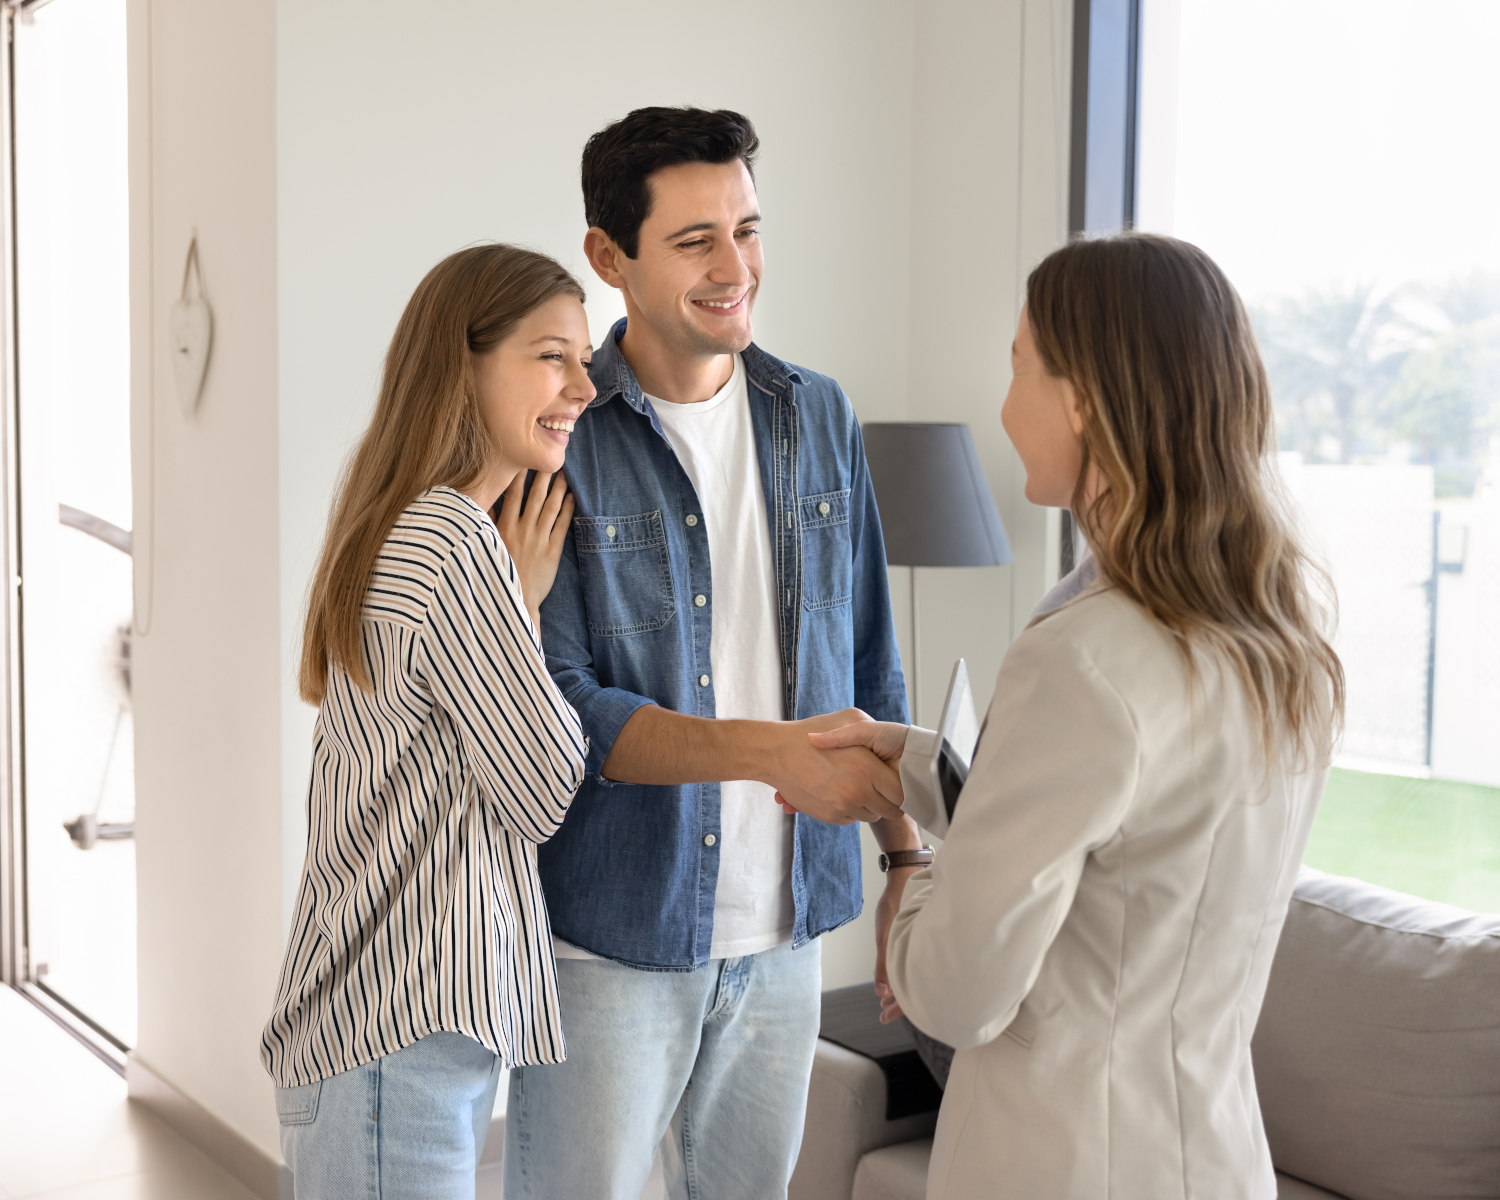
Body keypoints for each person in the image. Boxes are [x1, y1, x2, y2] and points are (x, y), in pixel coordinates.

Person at [806, 233, 1345, 1199]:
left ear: (1084, 397)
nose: (1006, 404)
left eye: (1019, 365)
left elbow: (956, 993)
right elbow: (1138, 839)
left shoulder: (1083, 656)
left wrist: (915, 879)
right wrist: (918, 762)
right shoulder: (1283, 643)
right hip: (1209, 1156)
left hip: (1060, 1162)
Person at [502, 107, 922, 1200]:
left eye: (747, 228)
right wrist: (770, 754)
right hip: (611, 936)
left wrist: (907, 859)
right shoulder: (557, 439)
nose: (735, 267)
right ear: (610, 257)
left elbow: (869, 656)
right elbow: (561, 712)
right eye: (695, 241)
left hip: (785, 933)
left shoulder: (816, 415)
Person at [262, 244, 594, 1199]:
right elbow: (543, 790)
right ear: (466, 362)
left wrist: (512, 601)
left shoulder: (408, 523)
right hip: (386, 1050)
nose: (583, 385)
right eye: (551, 356)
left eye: (582, 360)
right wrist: (521, 611)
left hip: (376, 1047)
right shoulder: (451, 542)